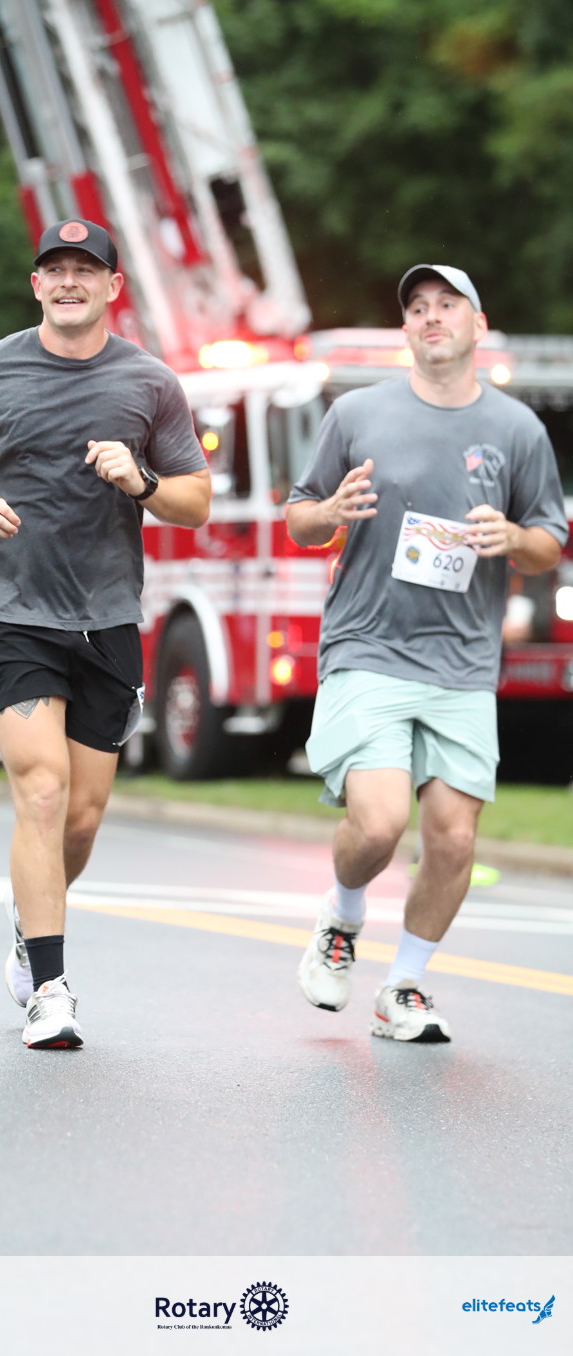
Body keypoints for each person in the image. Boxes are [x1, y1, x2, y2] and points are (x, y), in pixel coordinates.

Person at [0, 219, 210, 1048]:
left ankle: (29, 918)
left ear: (113, 287)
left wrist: (140, 480)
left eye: (86, 269)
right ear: (36, 284)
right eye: (55, 270)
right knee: (41, 789)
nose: (70, 282)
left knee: (81, 817)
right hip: (6, 605)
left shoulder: (150, 383)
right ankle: (49, 988)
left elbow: (196, 501)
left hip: (105, 614)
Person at [287, 264, 567, 1043]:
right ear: (406, 329)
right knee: (379, 826)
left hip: (463, 662)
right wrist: (330, 510)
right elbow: (299, 517)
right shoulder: (357, 413)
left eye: (448, 305)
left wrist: (514, 538)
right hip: (369, 644)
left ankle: (403, 987)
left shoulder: (517, 429)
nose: (431, 316)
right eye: (417, 307)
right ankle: (342, 919)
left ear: (479, 325)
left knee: (454, 839)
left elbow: (549, 539)